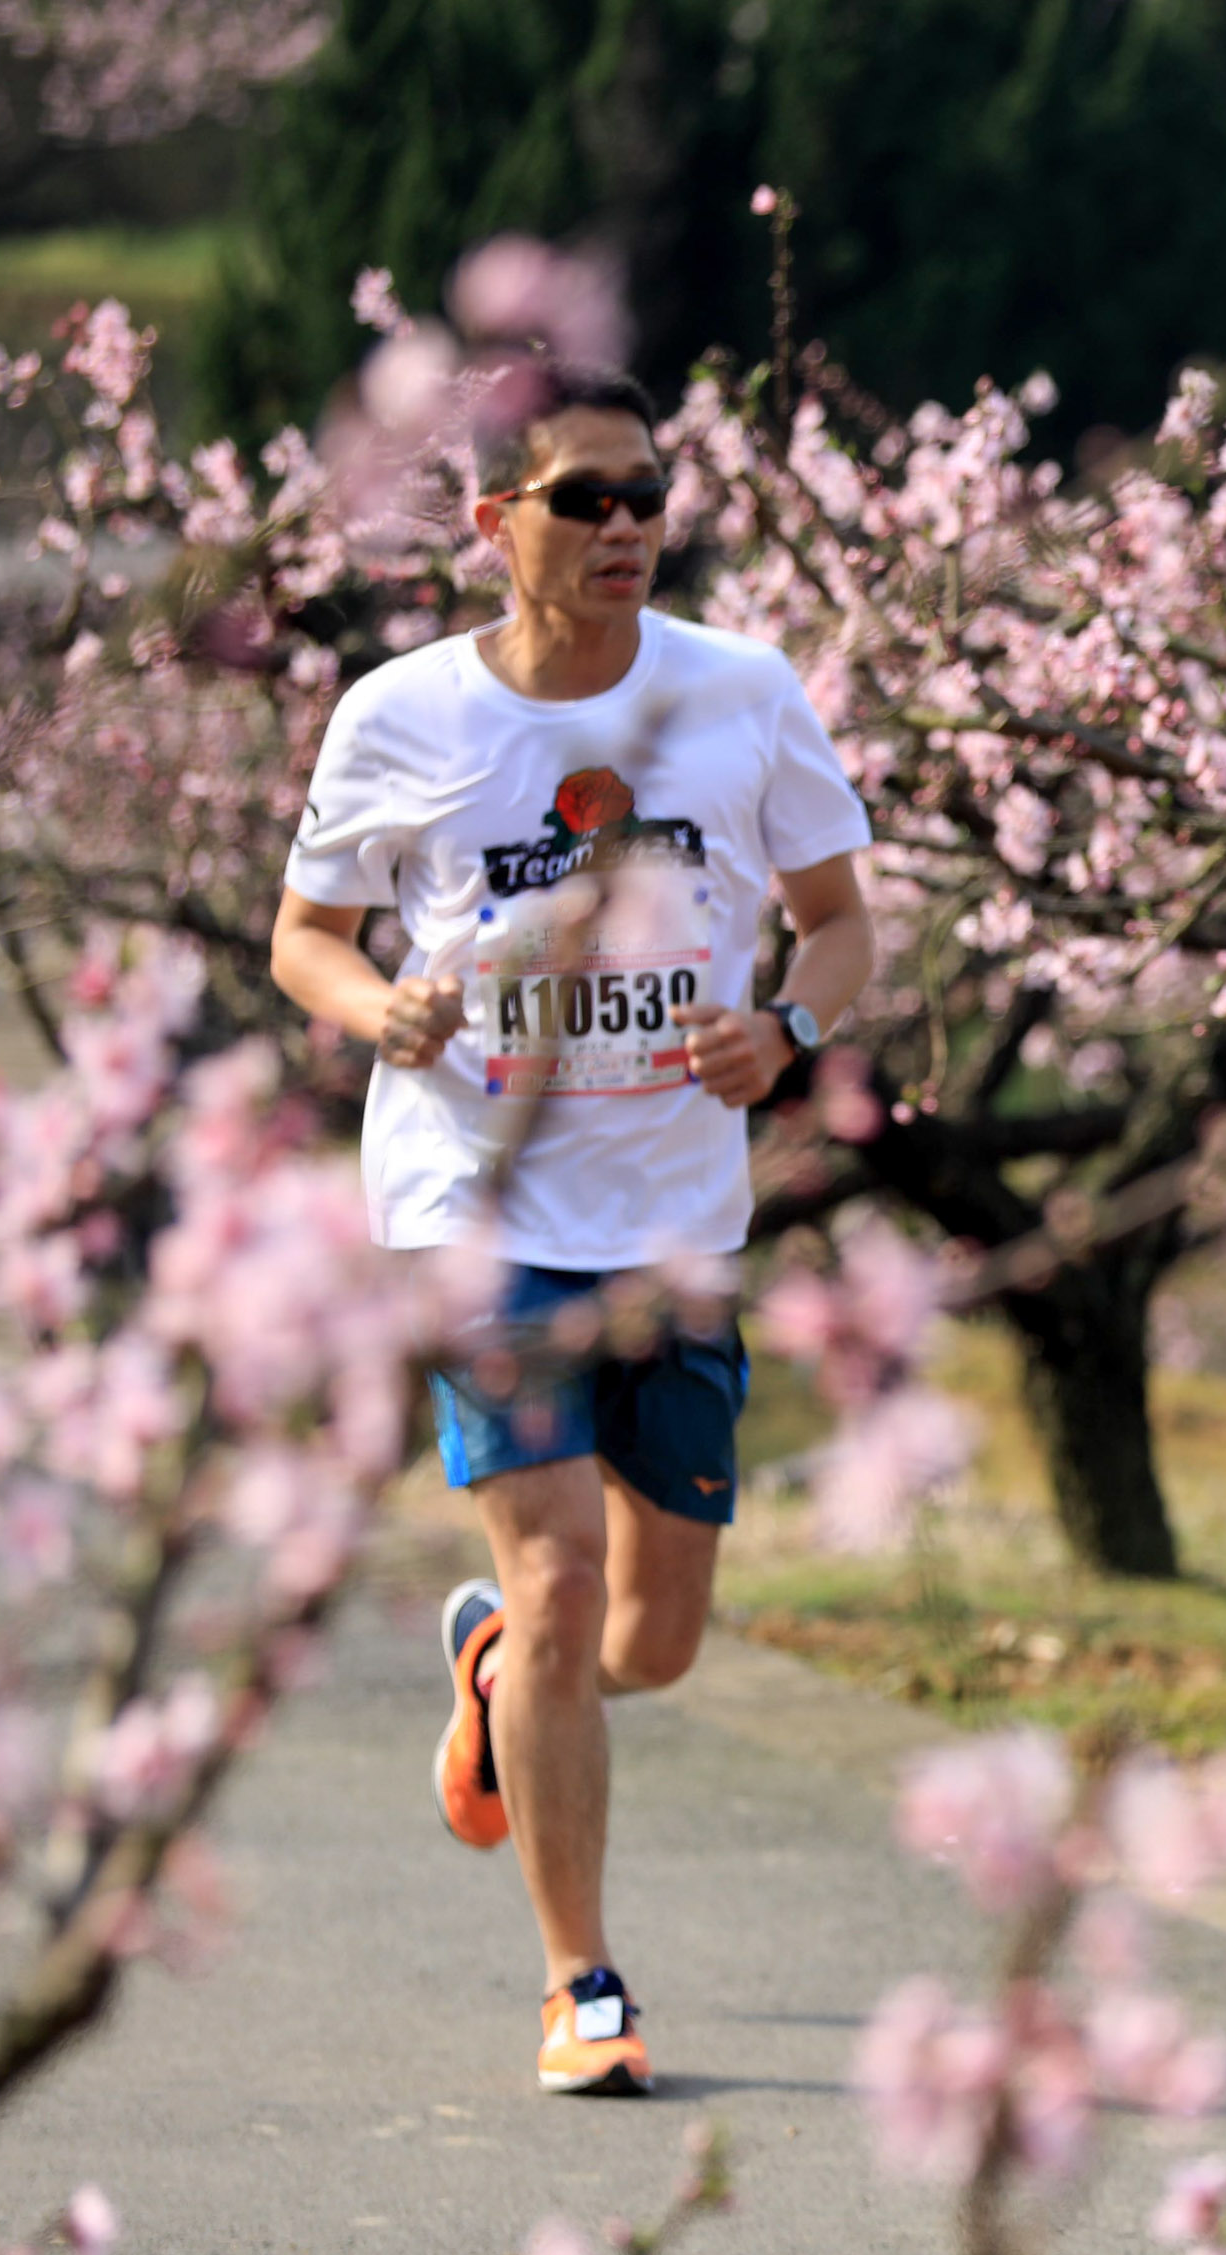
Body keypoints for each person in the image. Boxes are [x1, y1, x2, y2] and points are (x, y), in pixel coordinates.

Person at [270, 367, 877, 2098]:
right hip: (481, 1203)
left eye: (647, 496)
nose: (625, 527)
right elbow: (302, 936)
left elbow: (839, 924)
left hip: (677, 1215)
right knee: (559, 1583)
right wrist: (376, 1007)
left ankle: (491, 1679)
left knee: (653, 1639)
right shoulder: (403, 714)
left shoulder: (741, 696)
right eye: (583, 499)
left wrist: (791, 1033)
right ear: (494, 525)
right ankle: (581, 1981)